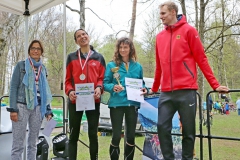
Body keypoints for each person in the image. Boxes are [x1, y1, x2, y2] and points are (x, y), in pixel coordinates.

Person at [150, 1, 229, 160]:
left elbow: (202, 59)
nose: (161, 17)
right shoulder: (159, 37)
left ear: (173, 12)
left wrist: (215, 84)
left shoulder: (189, 31)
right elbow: (159, 66)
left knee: (188, 131)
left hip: (187, 91)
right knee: (161, 127)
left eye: (163, 13)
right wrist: (154, 87)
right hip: (166, 92)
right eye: (160, 14)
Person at [103, 37, 148, 160]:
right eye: (120, 47)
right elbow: (105, 83)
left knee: (131, 137)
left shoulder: (137, 66)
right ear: (118, 49)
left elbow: (141, 83)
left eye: (125, 47)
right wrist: (113, 87)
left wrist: (145, 89)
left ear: (130, 48)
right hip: (116, 104)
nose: (123, 50)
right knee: (116, 136)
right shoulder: (111, 65)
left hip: (132, 105)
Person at [8, 40, 53, 160]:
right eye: (33, 48)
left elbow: (45, 90)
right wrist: (13, 109)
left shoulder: (43, 68)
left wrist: (48, 110)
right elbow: (13, 87)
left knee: (33, 143)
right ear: (29, 51)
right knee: (18, 143)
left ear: (41, 52)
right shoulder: (21, 65)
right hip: (21, 106)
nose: (35, 50)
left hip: (38, 107)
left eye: (38, 49)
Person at [65, 28, 106, 160]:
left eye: (84, 34)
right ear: (76, 41)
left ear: (88, 36)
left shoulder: (99, 57)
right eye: (78, 36)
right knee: (73, 135)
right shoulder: (71, 57)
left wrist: (99, 88)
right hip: (75, 101)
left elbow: (102, 78)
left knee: (93, 135)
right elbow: (67, 81)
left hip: (93, 100)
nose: (82, 37)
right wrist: (70, 91)